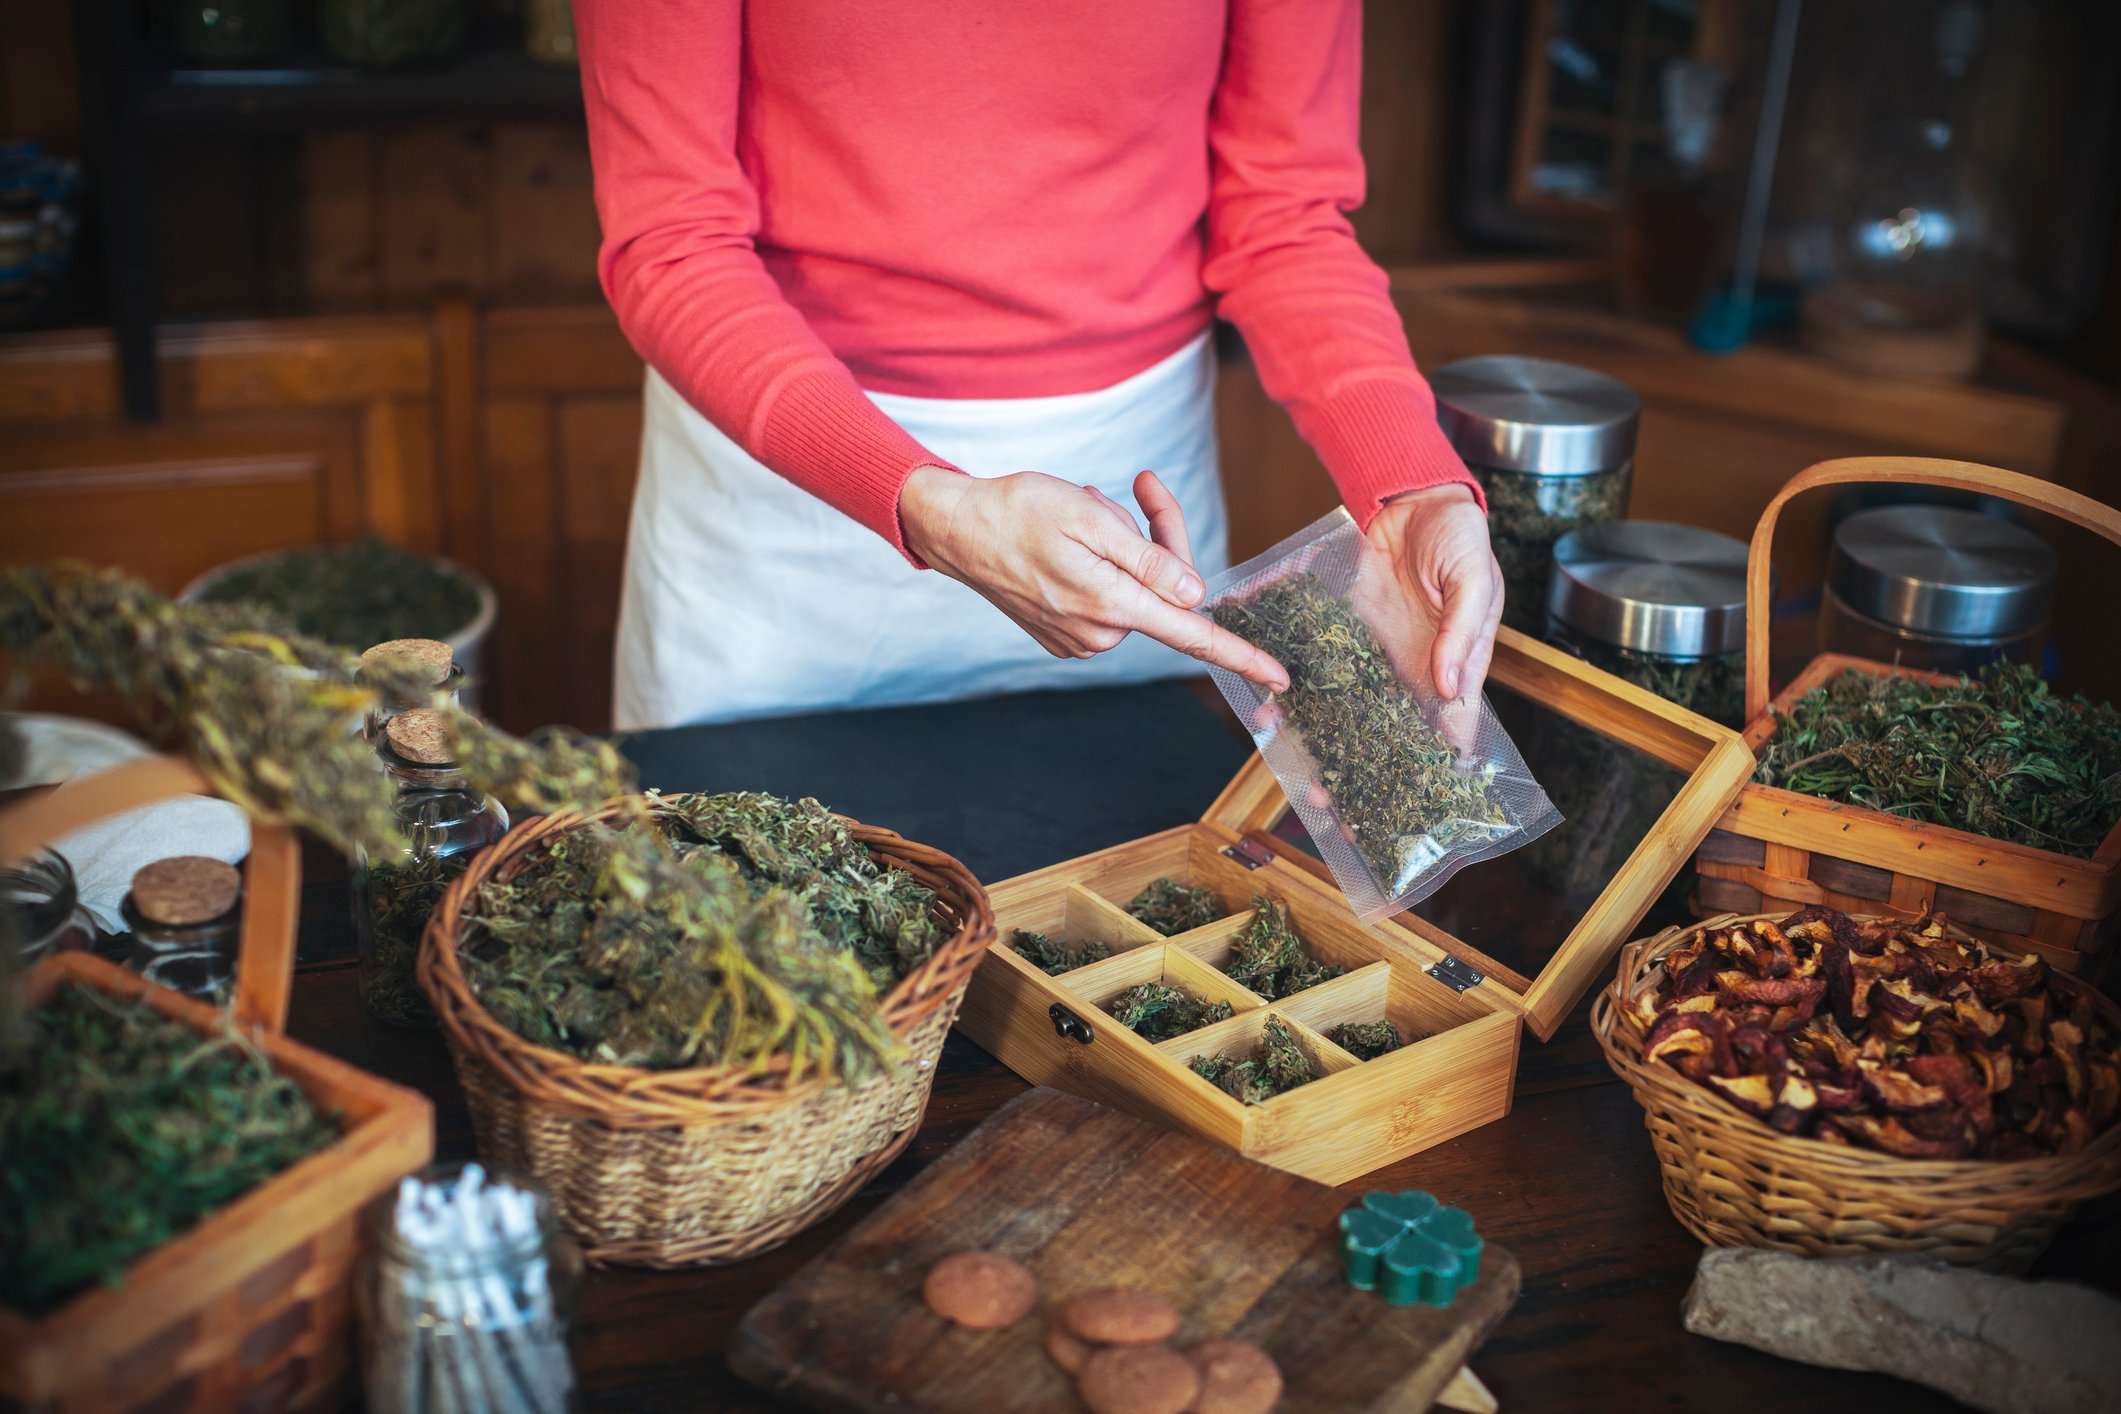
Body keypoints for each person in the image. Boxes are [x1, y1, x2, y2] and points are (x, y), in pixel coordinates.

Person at [575, 0, 1502, 730]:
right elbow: (671, 241)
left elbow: (1285, 217)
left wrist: (1411, 486)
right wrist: (928, 506)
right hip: (791, 500)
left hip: (1127, 496)